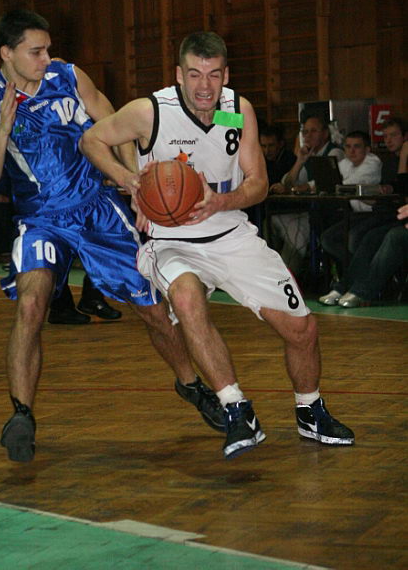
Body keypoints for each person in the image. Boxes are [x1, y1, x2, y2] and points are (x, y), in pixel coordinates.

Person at [80, 30, 354, 459]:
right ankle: (236, 408)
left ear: (226, 75)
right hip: (170, 240)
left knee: (302, 329)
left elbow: (258, 183)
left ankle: (309, 411)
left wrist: (221, 202)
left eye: (213, 75)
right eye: (194, 74)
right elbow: (91, 139)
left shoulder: (236, 111)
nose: (204, 86)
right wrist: (130, 181)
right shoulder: (149, 111)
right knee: (187, 299)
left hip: (230, 232)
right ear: (179, 74)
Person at [0, 9, 222, 463]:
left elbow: (116, 126)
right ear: (6, 53)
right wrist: (3, 129)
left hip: (96, 208)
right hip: (40, 218)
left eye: (48, 49)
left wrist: (135, 183)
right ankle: (21, 414)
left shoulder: (68, 76)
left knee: (153, 310)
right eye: (36, 51)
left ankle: (190, 384)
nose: (47, 58)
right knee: (31, 303)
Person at [269, 115, 344, 276]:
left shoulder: (335, 152)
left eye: (313, 131)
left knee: (296, 233)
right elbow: (288, 183)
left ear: (325, 134)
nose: (308, 135)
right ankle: (277, 272)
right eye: (305, 132)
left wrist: (298, 188)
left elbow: (325, 181)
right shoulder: (308, 155)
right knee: (272, 223)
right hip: (309, 211)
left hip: (330, 214)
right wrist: (300, 161)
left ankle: (285, 277)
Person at [318, 131, 382, 278]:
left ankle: (359, 277)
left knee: (352, 238)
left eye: (357, 146)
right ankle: (358, 274)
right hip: (355, 215)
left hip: (375, 214)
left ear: (367, 149)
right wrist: (307, 186)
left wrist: (329, 185)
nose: (352, 151)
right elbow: (329, 180)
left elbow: (348, 184)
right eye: (348, 147)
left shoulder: (373, 162)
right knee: (327, 238)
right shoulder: (345, 163)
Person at [259, 124, 296, 190]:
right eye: (264, 146)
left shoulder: (290, 159)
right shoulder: (260, 160)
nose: (267, 151)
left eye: (271, 145)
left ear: (281, 144)